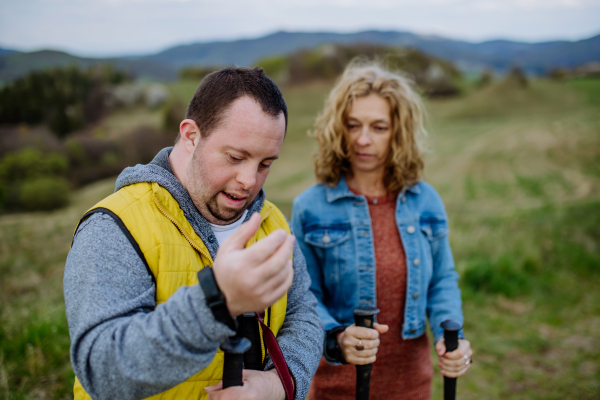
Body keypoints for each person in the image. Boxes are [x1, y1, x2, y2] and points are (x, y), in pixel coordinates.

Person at [63, 67, 323, 400]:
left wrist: (278, 385)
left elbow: (303, 314)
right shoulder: (113, 226)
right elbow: (102, 372)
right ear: (191, 136)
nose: (249, 180)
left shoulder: (272, 221)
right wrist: (216, 301)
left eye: (265, 164)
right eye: (236, 157)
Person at [291, 61, 473, 399]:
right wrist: (337, 337)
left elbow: (442, 280)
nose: (363, 139)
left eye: (378, 127)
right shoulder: (310, 208)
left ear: (398, 131)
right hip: (338, 389)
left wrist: (454, 337)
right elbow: (303, 297)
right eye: (353, 125)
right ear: (338, 128)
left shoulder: (426, 201)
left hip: (412, 387)